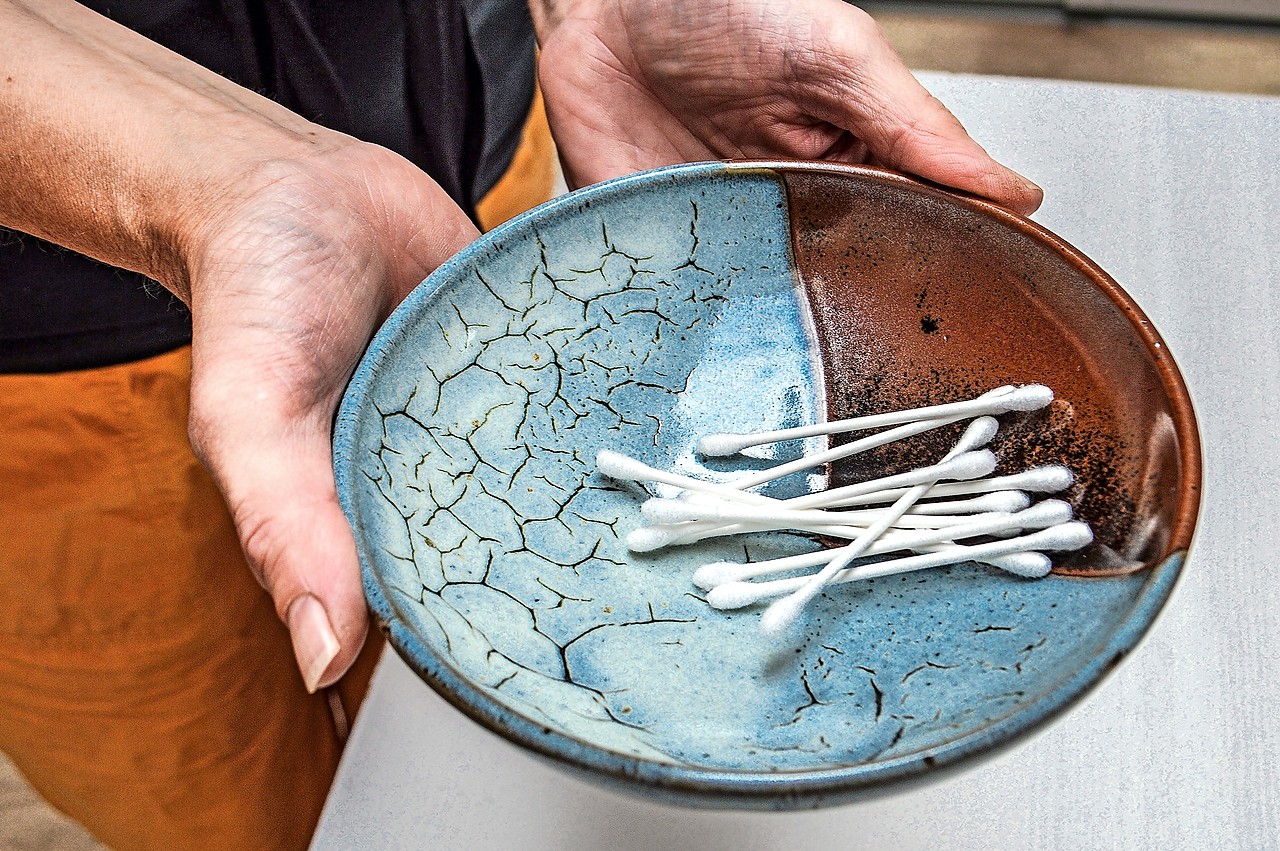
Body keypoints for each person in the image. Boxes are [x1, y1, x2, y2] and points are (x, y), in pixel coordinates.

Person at [0, 0, 1042, 847]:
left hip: (457, 186)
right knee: (211, 794)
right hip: (53, 367)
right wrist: (206, 176)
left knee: (453, 719)